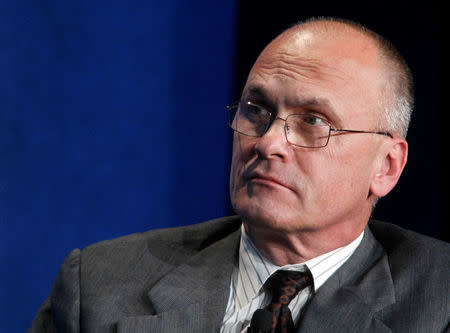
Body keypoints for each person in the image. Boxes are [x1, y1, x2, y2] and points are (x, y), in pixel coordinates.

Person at [29, 17, 449, 333]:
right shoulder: (99, 287)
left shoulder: (439, 301)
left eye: (313, 122)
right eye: (257, 111)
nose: (268, 143)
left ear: (386, 166)